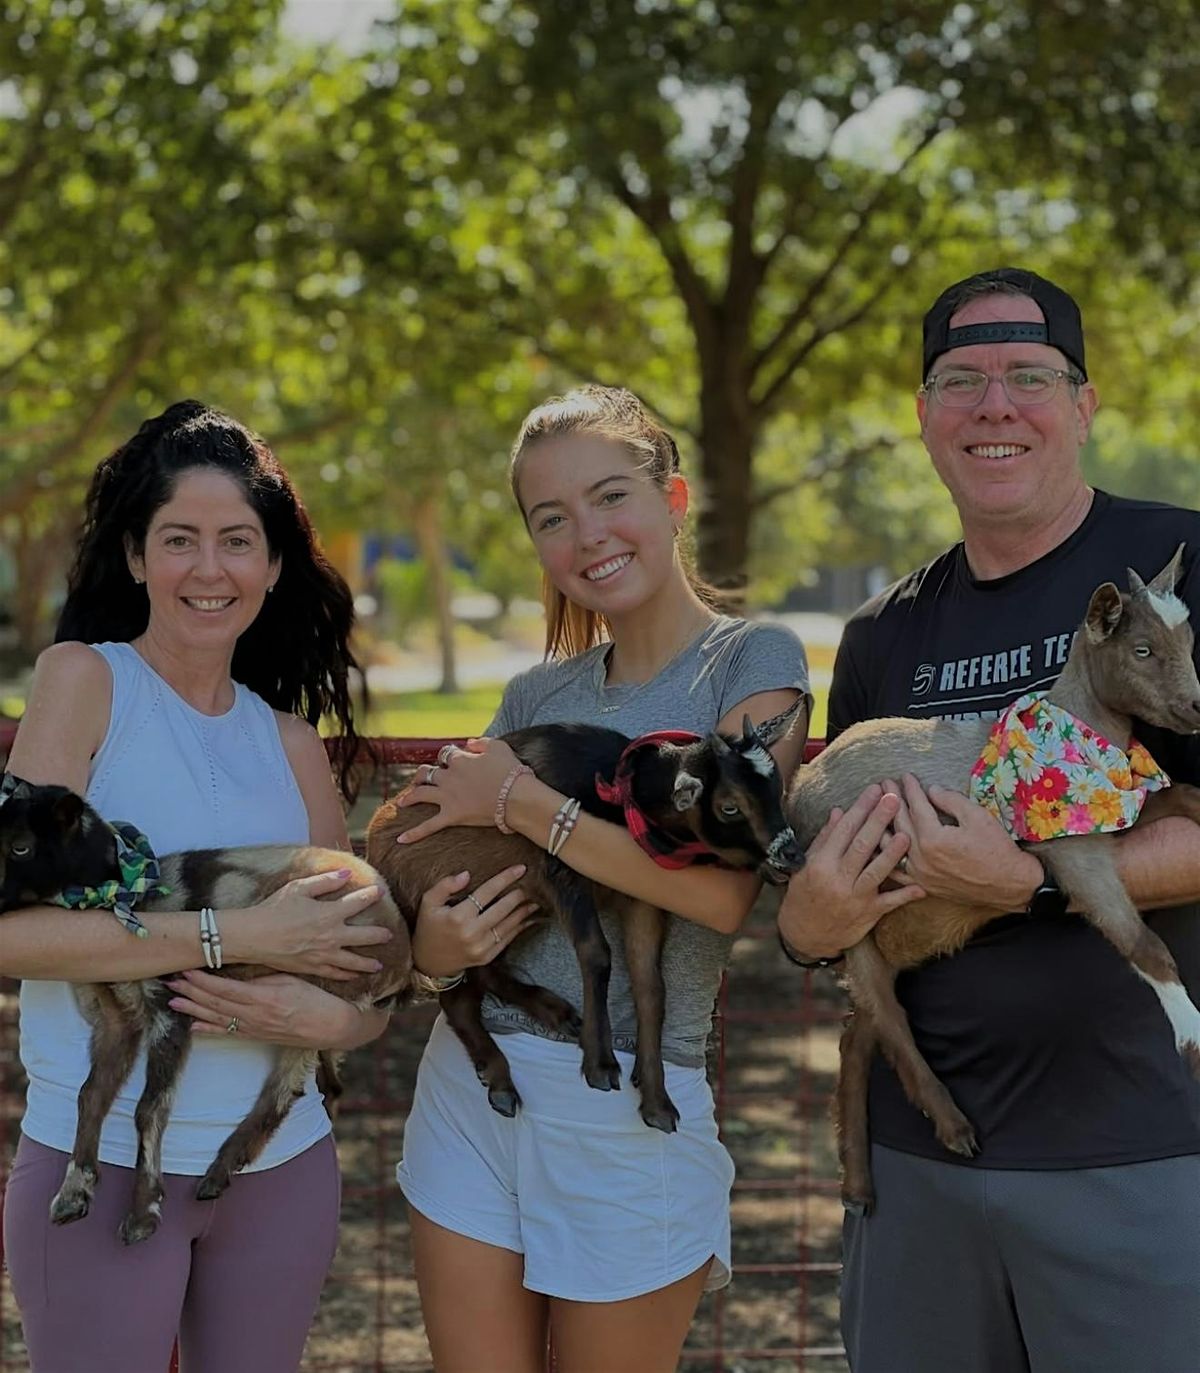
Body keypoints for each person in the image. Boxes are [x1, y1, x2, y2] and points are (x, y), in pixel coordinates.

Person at [777, 268, 1200, 1373]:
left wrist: (1037, 877)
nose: (994, 404)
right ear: (923, 417)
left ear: (1084, 401)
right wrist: (812, 921)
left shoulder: (1181, 568)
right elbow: (846, 889)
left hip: (1140, 1151)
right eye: (960, 379)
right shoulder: (880, 633)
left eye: (1029, 375)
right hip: (920, 1169)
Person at [388, 384, 810, 1372]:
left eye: (611, 495)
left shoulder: (752, 659)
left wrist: (529, 804)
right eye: (552, 517)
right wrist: (429, 954)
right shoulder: (539, 691)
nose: (588, 534)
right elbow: (431, 847)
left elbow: (719, 892)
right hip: (473, 1089)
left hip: (627, 1103)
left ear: (675, 497)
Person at [3, 400, 411, 1373]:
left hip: (281, 1166)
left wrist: (319, 1015)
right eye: (179, 539)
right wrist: (236, 935)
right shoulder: (84, 682)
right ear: (138, 558)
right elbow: (12, 936)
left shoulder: (294, 747)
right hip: (96, 1170)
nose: (210, 567)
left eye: (238, 541)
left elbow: (362, 997)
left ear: (273, 566)